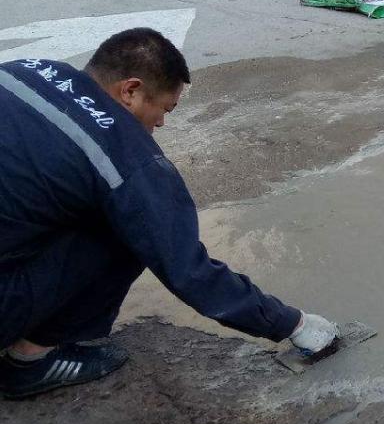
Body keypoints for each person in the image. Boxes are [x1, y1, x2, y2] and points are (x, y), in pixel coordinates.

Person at [0, 28, 341, 400]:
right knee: (133, 228)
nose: (161, 123)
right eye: (165, 108)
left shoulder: (24, 71)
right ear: (129, 91)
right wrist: (292, 324)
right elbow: (188, 270)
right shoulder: (126, 156)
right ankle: (30, 361)